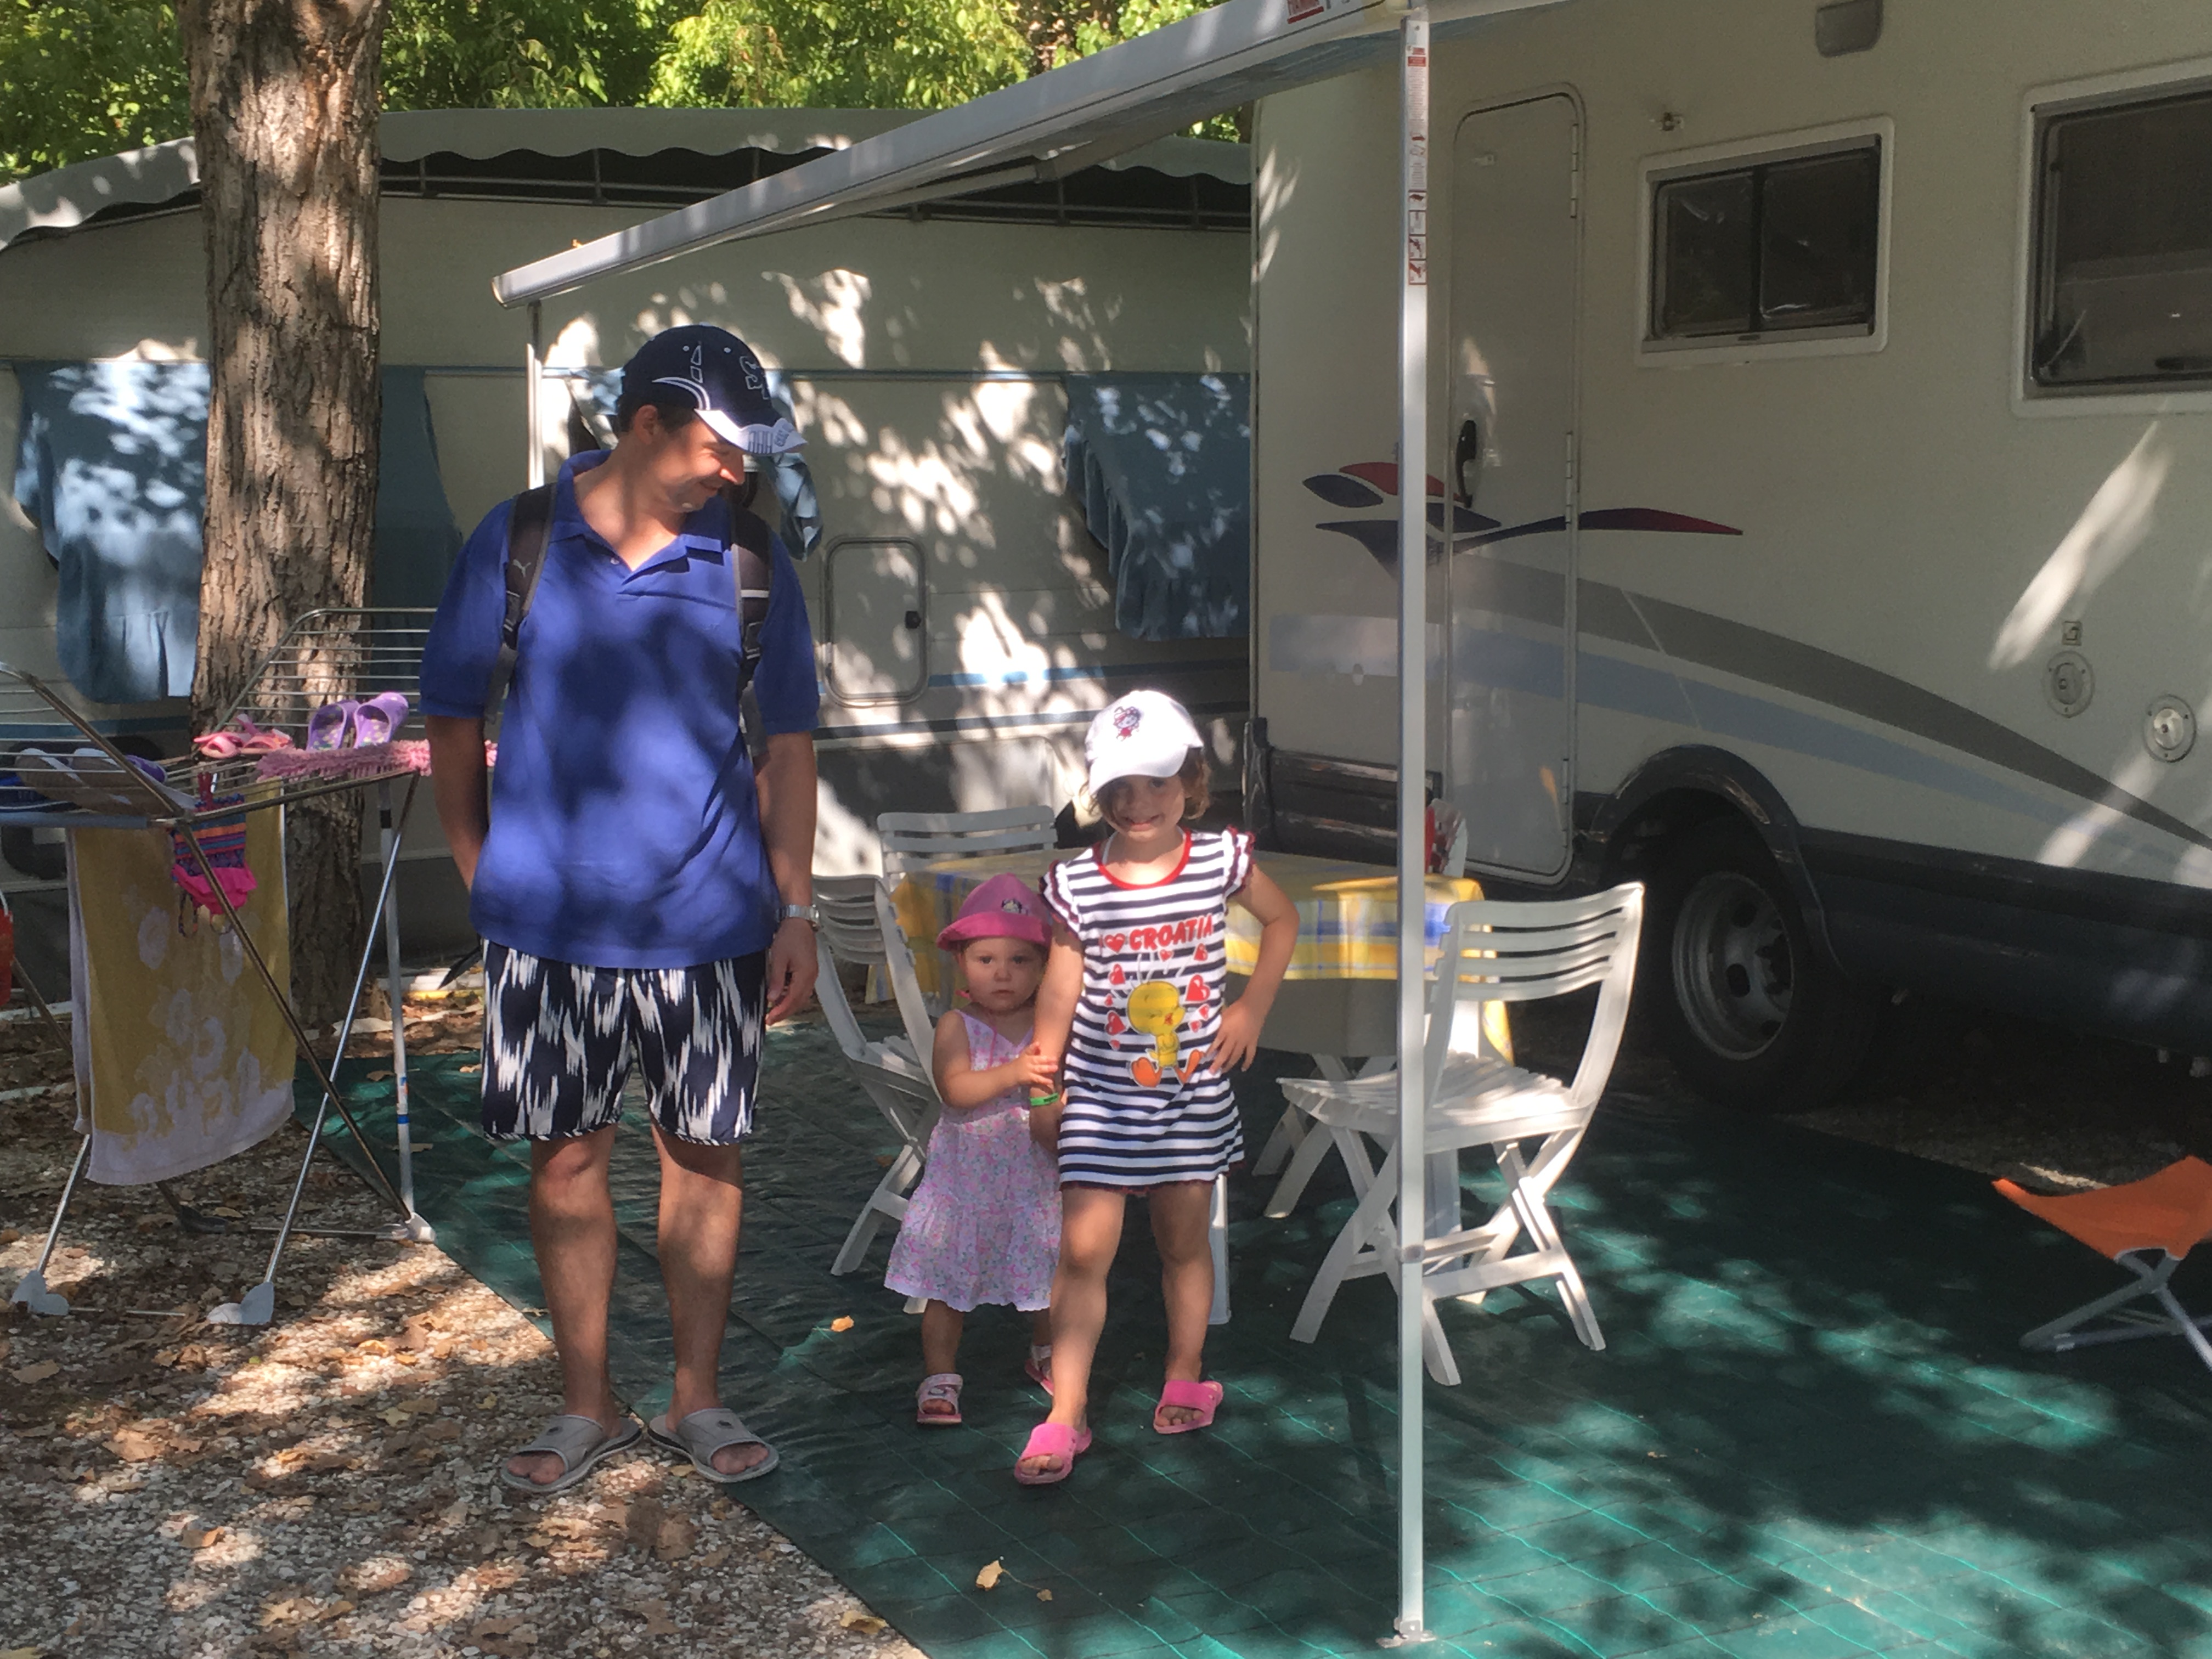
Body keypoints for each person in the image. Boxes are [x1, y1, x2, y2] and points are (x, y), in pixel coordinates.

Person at [419, 324, 821, 1494]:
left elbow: (789, 747)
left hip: (713, 924)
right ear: (646, 424)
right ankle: (585, 1405)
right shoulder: (519, 540)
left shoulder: (750, 558)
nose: (737, 471)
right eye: (720, 447)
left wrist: (796, 906)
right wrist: (479, 866)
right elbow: (452, 713)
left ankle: (697, 1398)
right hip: (547, 927)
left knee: (705, 1158)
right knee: (565, 1162)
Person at [1015, 691, 1298, 1484]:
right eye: (1119, 787)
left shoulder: (1220, 860)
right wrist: (1044, 1088)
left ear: (1192, 783)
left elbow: (1282, 922)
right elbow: (1059, 989)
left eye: (1157, 783)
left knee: (1183, 1244)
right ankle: (1067, 1411)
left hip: (1189, 1100)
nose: (1137, 803)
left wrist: (1251, 1008)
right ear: (1098, 792)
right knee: (1081, 1255)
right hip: (1100, 1099)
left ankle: (1185, 1372)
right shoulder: (1077, 882)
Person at [884, 873, 1063, 1425]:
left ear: (1044, 966)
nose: (1002, 973)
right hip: (966, 1186)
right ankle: (940, 1376)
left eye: (1020, 960)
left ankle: (1047, 1351)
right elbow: (956, 1091)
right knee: (946, 1287)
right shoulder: (955, 1026)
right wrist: (1015, 1072)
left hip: (1033, 1181)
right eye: (986, 959)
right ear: (961, 962)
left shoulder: (1051, 1025)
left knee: (1048, 1278)